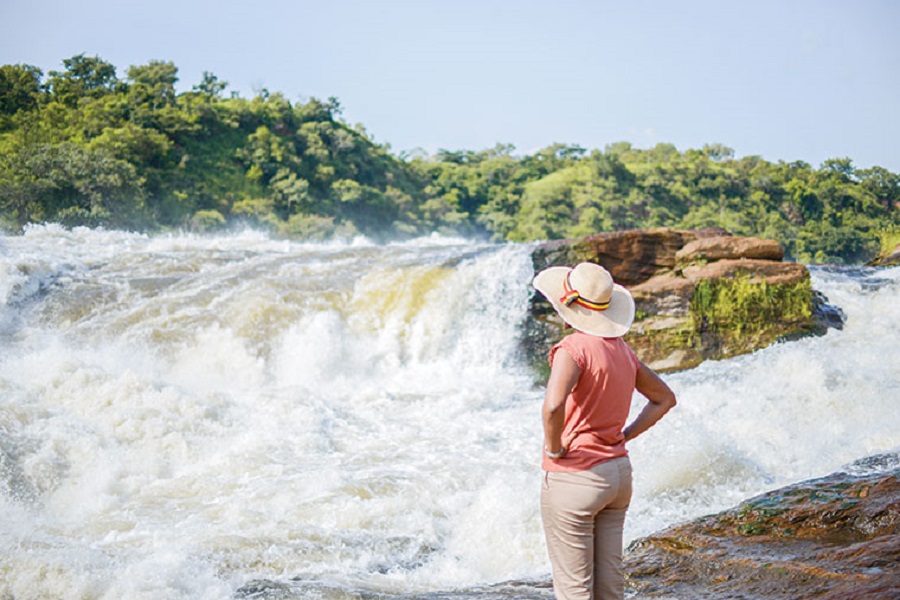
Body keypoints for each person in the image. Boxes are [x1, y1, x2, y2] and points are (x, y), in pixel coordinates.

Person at [532, 261, 677, 600]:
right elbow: (665, 399)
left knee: (575, 590)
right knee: (610, 585)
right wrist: (625, 435)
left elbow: (553, 406)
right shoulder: (625, 352)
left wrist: (553, 449)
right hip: (618, 475)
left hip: (576, 477)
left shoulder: (573, 349)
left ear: (569, 305)